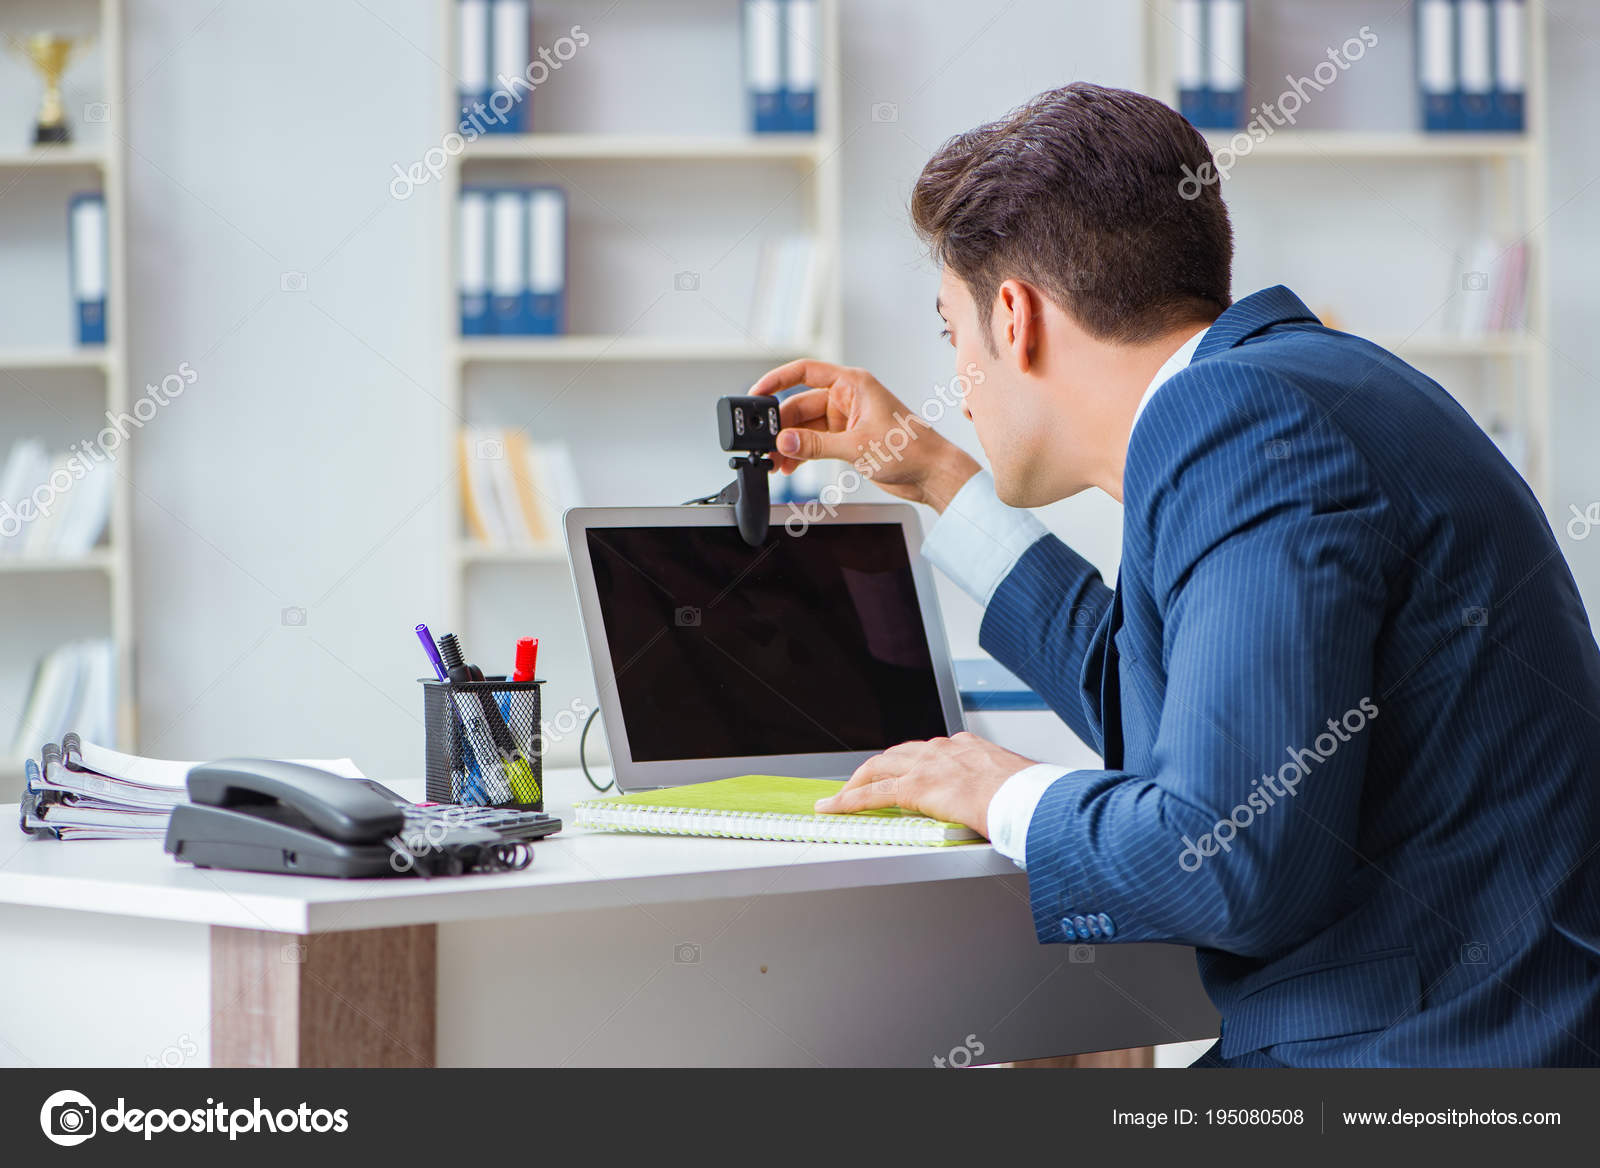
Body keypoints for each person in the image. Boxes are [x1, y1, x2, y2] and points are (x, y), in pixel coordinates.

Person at [751, 83, 1600, 1067]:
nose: (962, 381)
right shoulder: (1298, 385)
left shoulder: (1238, 425)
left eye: (953, 335)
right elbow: (1185, 720)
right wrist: (938, 475)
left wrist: (1005, 790)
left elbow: (1229, 853)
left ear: (1014, 317)